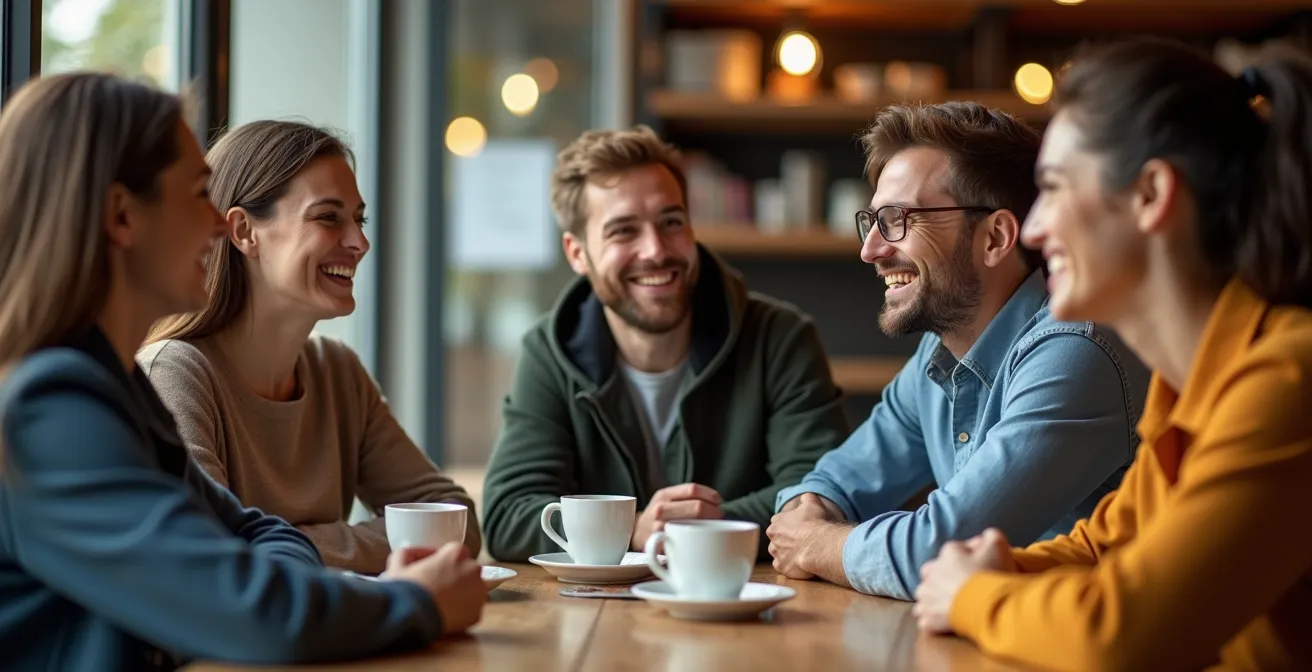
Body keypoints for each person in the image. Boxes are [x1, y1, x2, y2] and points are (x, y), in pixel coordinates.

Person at [0, 74, 485, 672]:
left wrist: (269, 577)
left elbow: (250, 545)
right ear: (122, 217)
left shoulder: (114, 389)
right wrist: (416, 602)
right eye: (197, 194)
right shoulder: (51, 409)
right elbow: (249, 608)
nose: (215, 224)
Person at [913, 38, 1312, 671]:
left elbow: (1121, 634)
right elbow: (1105, 548)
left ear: (1151, 194)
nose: (1035, 230)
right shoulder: (1190, 383)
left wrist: (972, 594)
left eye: (1053, 187)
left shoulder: (1288, 379)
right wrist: (996, 568)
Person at [765, 101, 1151, 600]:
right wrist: (812, 508)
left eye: (900, 218)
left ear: (995, 237)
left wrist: (817, 543)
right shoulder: (938, 353)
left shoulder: (1076, 350)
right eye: (874, 221)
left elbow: (938, 551)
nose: (872, 250)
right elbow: (834, 482)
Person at [481, 126, 851, 562]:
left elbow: (818, 496)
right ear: (577, 253)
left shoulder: (781, 337)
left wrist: (678, 532)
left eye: (671, 222)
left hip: (745, 603)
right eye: (623, 231)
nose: (655, 250)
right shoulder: (549, 351)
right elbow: (507, 517)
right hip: (594, 615)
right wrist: (631, 528)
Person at [139, 120, 480, 575]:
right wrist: (365, 545)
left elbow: (455, 521)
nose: (360, 242)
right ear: (243, 232)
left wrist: (287, 547)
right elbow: (211, 557)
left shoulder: (337, 371)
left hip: (331, 639)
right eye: (328, 217)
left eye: (359, 219)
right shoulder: (174, 374)